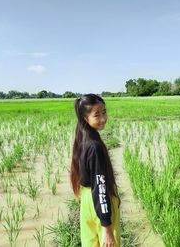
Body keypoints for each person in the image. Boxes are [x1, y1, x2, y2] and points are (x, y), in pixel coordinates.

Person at [70, 93, 121, 247]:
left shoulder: (82, 137)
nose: (103, 118)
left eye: (104, 112)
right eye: (96, 115)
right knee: (109, 242)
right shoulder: (95, 146)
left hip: (87, 200)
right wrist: (107, 227)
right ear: (85, 118)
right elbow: (100, 187)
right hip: (99, 202)